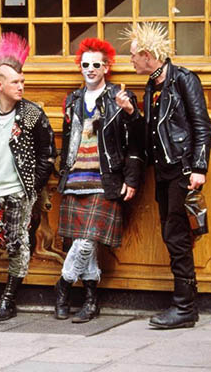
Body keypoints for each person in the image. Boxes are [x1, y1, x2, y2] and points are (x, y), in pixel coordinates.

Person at [122, 22, 211, 329]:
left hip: (182, 169)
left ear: (148, 55)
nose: (131, 60)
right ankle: (186, 304)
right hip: (163, 171)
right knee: (172, 234)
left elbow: (202, 126)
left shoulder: (183, 80)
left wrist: (200, 167)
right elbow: (151, 128)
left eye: (134, 55)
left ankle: (185, 307)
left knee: (177, 236)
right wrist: (133, 114)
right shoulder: (152, 84)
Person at [54, 38, 144, 323]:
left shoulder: (119, 97)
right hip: (75, 177)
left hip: (105, 179)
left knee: (86, 240)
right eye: (85, 65)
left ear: (106, 67)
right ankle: (91, 301)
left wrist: (130, 112)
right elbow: (68, 139)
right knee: (85, 242)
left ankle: (63, 284)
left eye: (96, 64)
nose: (90, 69)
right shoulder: (73, 99)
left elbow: (136, 143)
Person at [0, 33, 56, 322]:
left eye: (22, 80)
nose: (21, 85)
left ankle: (8, 298)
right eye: (15, 81)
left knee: (18, 243)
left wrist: (34, 186)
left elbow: (48, 152)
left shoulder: (32, 113)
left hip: (20, 191)